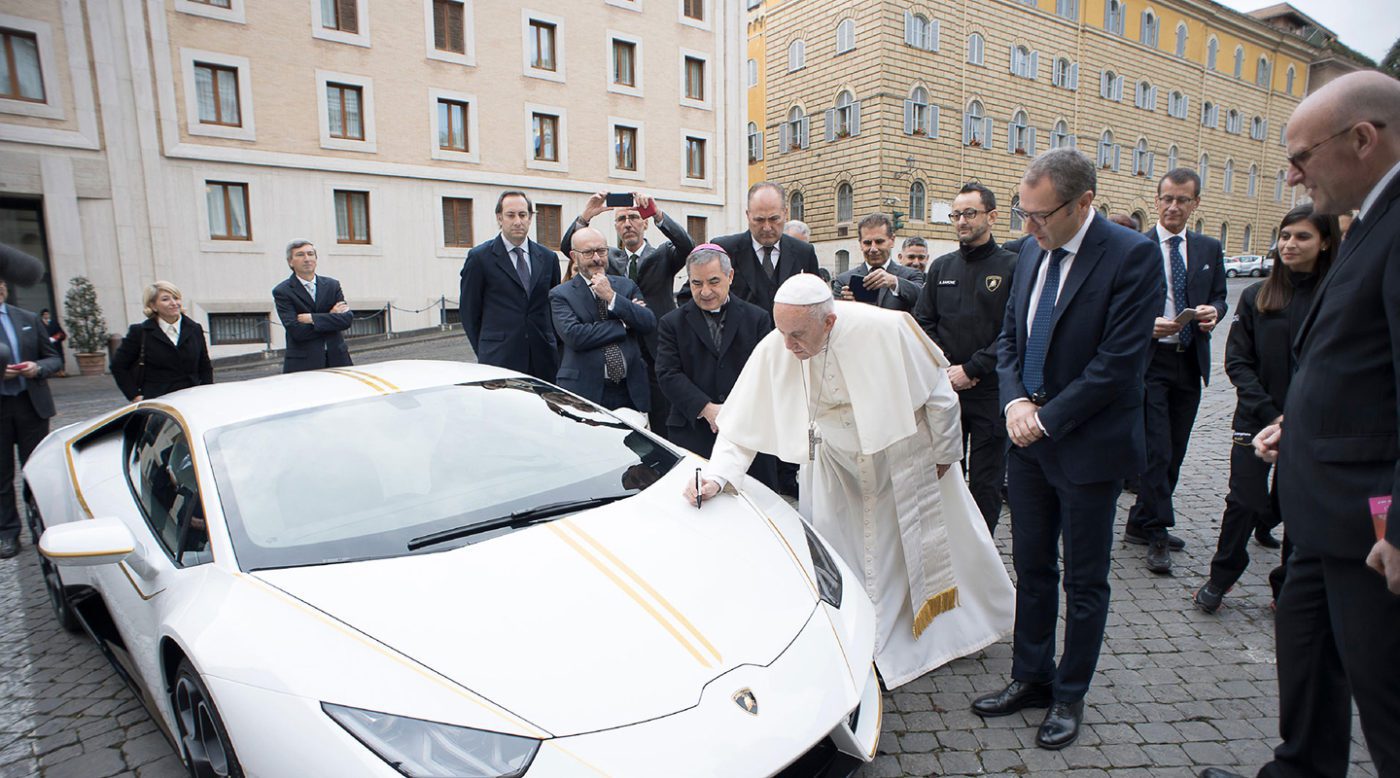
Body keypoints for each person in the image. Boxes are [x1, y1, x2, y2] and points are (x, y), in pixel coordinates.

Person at [1201, 70, 1400, 778]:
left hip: (1370, 523)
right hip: (1317, 518)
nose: (1291, 177)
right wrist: (1300, 423)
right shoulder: (1368, 224)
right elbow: (1360, 367)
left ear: (1363, 139)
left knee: (1386, 705)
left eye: (1302, 157)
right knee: (1308, 665)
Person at [686, 274, 1014, 689]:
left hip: (899, 457)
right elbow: (739, 424)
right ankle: (859, 638)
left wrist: (945, 455)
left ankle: (939, 637)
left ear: (829, 322)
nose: (788, 347)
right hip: (834, 466)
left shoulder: (888, 329)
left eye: (798, 335)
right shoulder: (781, 344)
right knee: (842, 555)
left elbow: (940, 396)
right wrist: (717, 476)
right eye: (782, 332)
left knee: (906, 554)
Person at [976, 148, 1161, 750]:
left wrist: (1045, 417)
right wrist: (1013, 405)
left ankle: (1069, 693)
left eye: (1039, 215)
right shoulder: (1031, 249)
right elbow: (1008, 340)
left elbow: (1118, 365)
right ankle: (1030, 675)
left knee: (1085, 581)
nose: (1027, 228)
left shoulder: (1132, 256)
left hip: (1086, 448)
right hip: (1028, 443)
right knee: (1032, 568)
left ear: (1084, 203)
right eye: (1021, 214)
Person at [1194, 205, 1337, 614]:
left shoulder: (1336, 294)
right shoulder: (1259, 295)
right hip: (1256, 419)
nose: (1290, 244)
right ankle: (1222, 576)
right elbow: (1238, 361)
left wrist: (1297, 417)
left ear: (1325, 242)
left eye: (1302, 237)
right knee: (1244, 501)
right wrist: (1271, 413)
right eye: (1285, 236)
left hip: (1313, 422)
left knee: (1295, 507)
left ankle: (1287, 585)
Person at [1124, 168, 1228, 574]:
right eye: (1167, 198)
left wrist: (1213, 311)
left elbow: (1219, 295)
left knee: (1177, 451)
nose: (1173, 206)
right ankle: (1158, 531)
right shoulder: (1136, 247)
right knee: (1157, 449)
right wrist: (1145, 324)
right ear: (1156, 200)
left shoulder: (1207, 248)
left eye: (1182, 200)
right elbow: (1119, 306)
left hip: (1190, 359)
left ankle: (1138, 520)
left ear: (1195, 204)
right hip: (1151, 362)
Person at [913, 183, 1017, 531]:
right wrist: (948, 365)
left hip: (990, 392)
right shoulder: (941, 268)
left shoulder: (1012, 267)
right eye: (956, 214)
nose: (961, 221)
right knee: (945, 473)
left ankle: (982, 548)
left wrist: (973, 368)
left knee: (986, 483)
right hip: (946, 390)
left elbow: (1013, 332)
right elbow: (924, 322)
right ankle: (950, 542)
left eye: (969, 213)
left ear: (992, 216)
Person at [561, 191, 694, 431]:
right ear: (615, 227)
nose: (628, 224)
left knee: (663, 417)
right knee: (628, 422)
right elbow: (570, 248)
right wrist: (586, 216)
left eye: (633, 217)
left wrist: (657, 213)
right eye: (621, 220)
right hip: (621, 347)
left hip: (657, 347)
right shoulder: (607, 256)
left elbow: (687, 247)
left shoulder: (663, 254)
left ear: (644, 223)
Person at [654, 245, 777, 489]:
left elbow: (766, 374)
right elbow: (667, 373)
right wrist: (707, 408)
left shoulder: (757, 318)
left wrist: (734, 411)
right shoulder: (671, 323)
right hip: (693, 431)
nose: (705, 291)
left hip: (748, 430)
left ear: (730, 276)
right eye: (697, 283)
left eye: (713, 281)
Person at [550, 227, 655, 413]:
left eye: (601, 251)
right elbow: (575, 336)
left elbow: (647, 322)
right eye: (589, 252)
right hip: (584, 391)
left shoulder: (625, 286)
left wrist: (612, 297)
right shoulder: (561, 294)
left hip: (629, 390)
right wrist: (623, 324)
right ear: (574, 256)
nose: (597, 258)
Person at [460, 191, 561, 381]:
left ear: (530, 218)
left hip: (543, 360)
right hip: (499, 360)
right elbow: (469, 312)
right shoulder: (480, 258)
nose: (517, 221)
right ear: (499, 218)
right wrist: (486, 350)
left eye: (523, 215)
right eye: (511, 215)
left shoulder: (548, 258)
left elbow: (553, 307)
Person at [0, 278, 62, 559]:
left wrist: (37, 367)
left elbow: (53, 358)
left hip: (31, 406)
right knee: (2, 476)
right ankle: (7, 533)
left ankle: (43, 528)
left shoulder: (26, 318)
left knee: (36, 470)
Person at [711, 182, 820, 315]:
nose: (767, 227)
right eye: (759, 220)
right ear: (748, 215)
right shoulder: (723, 250)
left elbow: (817, 302)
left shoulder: (804, 253)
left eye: (774, 219)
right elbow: (692, 299)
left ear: (785, 213)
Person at [110, 281, 214, 401]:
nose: (174, 303)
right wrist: (134, 396)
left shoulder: (195, 328)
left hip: (191, 399)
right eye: (166, 299)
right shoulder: (140, 332)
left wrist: (207, 392)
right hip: (158, 402)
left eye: (176, 298)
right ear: (153, 306)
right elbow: (118, 366)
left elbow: (204, 366)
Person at [272, 241, 353, 373]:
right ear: (290, 262)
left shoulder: (332, 285)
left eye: (310, 254)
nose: (307, 259)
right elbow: (297, 331)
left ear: (316, 258)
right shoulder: (282, 291)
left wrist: (312, 318)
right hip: (303, 365)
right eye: (300, 255)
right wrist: (331, 317)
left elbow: (346, 320)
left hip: (339, 359)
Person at [834, 213, 924, 312]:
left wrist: (894, 282)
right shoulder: (844, 280)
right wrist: (846, 306)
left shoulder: (911, 275)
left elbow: (922, 300)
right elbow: (836, 319)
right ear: (860, 244)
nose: (873, 249)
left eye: (879, 242)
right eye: (867, 243)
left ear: (892, 240)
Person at [38, 309, 65, 377]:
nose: (47, 316)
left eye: (48, 314)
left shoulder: (54, 322)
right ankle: (49, 373)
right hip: (45, 345)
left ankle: (60, 371)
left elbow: (61, 333)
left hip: (56, 345)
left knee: (58, 357)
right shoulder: (39, 323)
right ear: (42, 316)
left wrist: (56, 338)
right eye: (45, 314)